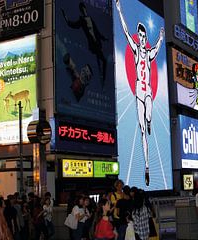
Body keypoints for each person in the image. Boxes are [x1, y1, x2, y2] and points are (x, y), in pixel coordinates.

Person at [115, 0, 165, 186]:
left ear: (146, 37)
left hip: (148, 92)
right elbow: (126, 32)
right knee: (142, 131)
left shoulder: (149, 53)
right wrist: (120, 11)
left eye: (144, 36)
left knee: (149, 117)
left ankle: (150, 121)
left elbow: (158, 48)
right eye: (141, 36)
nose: (142, 38)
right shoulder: (136, 50)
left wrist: (160, 37)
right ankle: (146, 167)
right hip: (138, 91)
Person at [61, 2, 108, 87]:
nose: (83, 11)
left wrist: (104, 38)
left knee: (103, 61)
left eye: (84, 9)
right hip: (92, 45)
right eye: (82, 10)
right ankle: (101, 80)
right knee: (100, 60)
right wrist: (66, 18)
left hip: (97, 43)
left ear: (85, 9)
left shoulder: (90, 19)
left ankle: (103, 79)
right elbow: (73, 25)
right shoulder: (82, 21)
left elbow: (97, 31)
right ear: (81, 11)